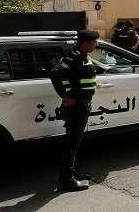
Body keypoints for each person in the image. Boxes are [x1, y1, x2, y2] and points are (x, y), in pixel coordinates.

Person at [49, 30, 100, 193]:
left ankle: (71, 173)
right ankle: (66, 181)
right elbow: (55, 74)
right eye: (94, 42)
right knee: (72, 143)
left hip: (82, 104)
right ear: (86, 43)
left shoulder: (81, 54)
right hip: (76, 106)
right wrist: (65, 96)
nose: (96, 45)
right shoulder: (75, 55)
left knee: (74, 142)